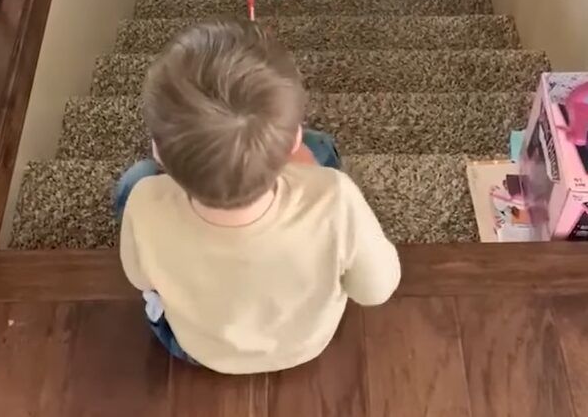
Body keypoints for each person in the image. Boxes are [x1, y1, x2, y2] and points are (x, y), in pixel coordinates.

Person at [115, 19, 401, 373]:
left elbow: (140, 279)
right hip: (304, 344)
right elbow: (376, 290)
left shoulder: (145, 203)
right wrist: (311, 176)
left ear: (158, 150)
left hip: (198, 348)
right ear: (293, 141)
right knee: (322, 147)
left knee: (135, 178)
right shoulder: (336, 200)